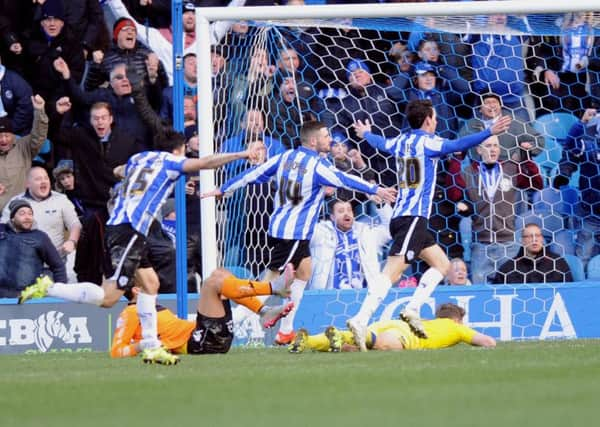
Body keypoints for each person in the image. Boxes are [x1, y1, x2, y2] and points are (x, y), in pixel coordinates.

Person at [18, 127, 264, 365]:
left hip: (125, 229)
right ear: (178, 151)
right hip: (129, 230)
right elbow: (205, 163)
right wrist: (242, 154)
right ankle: (49, 288)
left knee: (150, 284)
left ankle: (150, 346)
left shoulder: (139, 158)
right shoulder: (171, 162)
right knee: (108, 297)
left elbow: (118, 170)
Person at [205, 120, 397, 345]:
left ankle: (286, 331)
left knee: (305, 271)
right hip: (294, 233)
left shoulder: (283, 157)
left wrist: (224, 188)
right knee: (270, 282)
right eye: (326, 136)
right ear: (314, 141)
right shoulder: (317, 166)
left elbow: (253, 174)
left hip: (282, 227)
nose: (330, 140)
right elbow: (344, 179)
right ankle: (229, 322)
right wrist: (376, 189)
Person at [351, 99, 511, 349]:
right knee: (392, 272)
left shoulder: (401, 141)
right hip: (413, 218)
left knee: (442, 264)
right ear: (427, 120)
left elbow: (381, 143)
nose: (436, 121)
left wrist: (365, 133)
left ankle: (412, 308)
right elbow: (458, 144)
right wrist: (489, 131)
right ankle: (360, 319)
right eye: (434, 118)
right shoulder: (429, 142)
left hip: (404, 218)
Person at [111, 265, 295, 359]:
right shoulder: (131, 313)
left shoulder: (150, 310)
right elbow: (116, 351)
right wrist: (143, 345)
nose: (154, 285)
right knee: (211, 284)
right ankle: (272, 287)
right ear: (136, 291)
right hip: (199, 342)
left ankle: (264, 310)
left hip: (205, 336)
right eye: (148, 284)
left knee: (220, 274)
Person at [460, 135, 544, 284]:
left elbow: (537, 184)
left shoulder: (511, 168)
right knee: (481, 295)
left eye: (495, 146)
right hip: (481, 246)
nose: (492, 150)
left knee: (511, 291)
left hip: (508, 245)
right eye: (488, 146)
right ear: (479, 150)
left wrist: (526, 157)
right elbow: (453, 192)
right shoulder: (468, 173)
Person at [288, 302, 496, 353]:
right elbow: (489, 342)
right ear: (457, 319)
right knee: (385, 344)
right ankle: (363, 336)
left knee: (348, 341)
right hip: (403, 334)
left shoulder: (428, 322)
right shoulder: (456, 327)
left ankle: (307, 340)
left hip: (392, 324)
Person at [1, 166, 81, 262]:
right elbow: (3, 228)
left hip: (53, 262)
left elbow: (75, 224)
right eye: (38, 179)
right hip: (23, 262)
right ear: (28, 184)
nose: (43, 181)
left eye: (46, 178)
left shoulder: (61, 199)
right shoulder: (15, 201)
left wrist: (72, 241)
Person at [553, 108, 600, 269]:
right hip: (590, 210)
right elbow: (570, 149)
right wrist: (563, 174)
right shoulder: (588, 139)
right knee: (584, 257)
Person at [309, 199, 391, 290]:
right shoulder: (320, 233)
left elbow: (390, 229)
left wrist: (381, 204)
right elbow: (301, 228)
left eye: (349, 210)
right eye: (341, 211)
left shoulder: (366, 233)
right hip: (328, 295)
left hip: (364, 294)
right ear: (332, 217)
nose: (346, 214)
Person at [0, 199, 66, 298]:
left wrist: (61, 292)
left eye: (30, 214)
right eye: (22, 214)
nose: (27, 217)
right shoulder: (2, 230)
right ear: (12, 218)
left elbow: (58, 266)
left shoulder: (40, 237)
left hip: (25, 297)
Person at [459, 92, 544, 163]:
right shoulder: (471, 124)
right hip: (477, 169)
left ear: (500, 105)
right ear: (480, 109)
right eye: (487, 103)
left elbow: (539, 140)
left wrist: (521, 153)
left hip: (508, 169)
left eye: (495, 102)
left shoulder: (513, 122)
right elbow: (457, 145)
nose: (492, 106)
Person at [0, 95, 48, 210]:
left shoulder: (24, 146)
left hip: (21, 213)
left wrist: (39, 110)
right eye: (0, 136)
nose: (3, 140)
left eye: (6, 135)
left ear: (13, 135)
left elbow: (39, 135)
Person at [493, 223, 573, 284]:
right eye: (530, 236)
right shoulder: (508, 268)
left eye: (538, 236)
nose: (535, 240)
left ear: (542, 239)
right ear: (522, 241)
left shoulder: (557, 262)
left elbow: (569, 290)